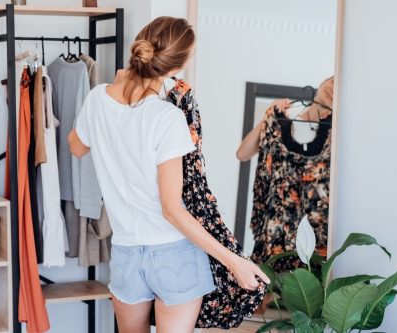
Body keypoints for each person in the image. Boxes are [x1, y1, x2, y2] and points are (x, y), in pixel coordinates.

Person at [68, 16, 270, 333]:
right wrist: (236, 262)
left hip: (126, 254)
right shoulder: (167, 117)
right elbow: (172, 210)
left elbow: (76, 147)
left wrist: (117, 94)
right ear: (174, 70)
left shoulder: (97, 99)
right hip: (174, 254)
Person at [237, 77, 334, 162]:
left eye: (339, 88)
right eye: (333, 81)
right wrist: (269, 115)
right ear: (322, 84)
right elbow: (242, 154)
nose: (334, 88)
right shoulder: (286, 113)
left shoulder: (332, 137)